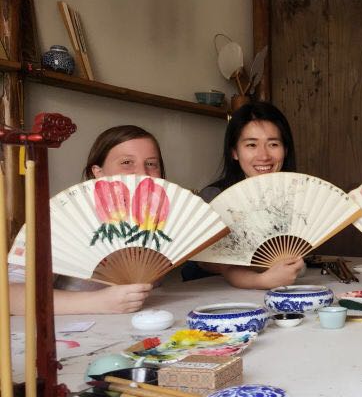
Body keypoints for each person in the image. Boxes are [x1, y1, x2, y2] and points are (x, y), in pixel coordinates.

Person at [9, 125, 161, 314]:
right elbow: (9, 295)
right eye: (127, 162)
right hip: (73, 332)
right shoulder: (64, 219)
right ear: (98, 172)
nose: (142, 174)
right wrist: (98, 302)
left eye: (151, 164)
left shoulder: (160, 218)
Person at [183, 101, 305, 289]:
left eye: (273, 144)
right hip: (211, 294)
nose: (264, 155)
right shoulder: (214, 197)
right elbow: (207, 261)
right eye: (251, 145)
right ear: (234, 152)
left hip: (275, 293)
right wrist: (262, 277)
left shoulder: (296, 197)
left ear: (285, 150)